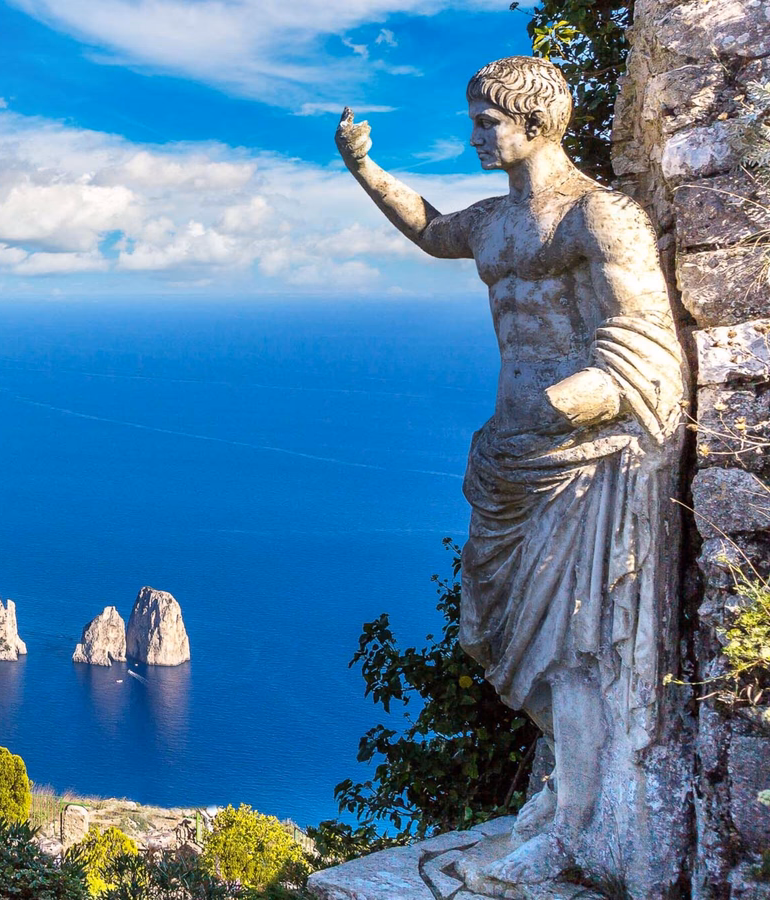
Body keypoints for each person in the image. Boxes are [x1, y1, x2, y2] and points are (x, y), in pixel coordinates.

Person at [336, 56, 687, 893]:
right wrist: (364, 169)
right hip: (509, 459)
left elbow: (647, 338)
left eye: (488, 122)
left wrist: (588, 396)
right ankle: (573, 786)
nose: (475, 136)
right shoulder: (493, 223)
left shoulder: (602, 218)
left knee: (570, 644)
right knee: (501, 632)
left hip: (578, 460)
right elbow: (429, 229)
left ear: (537, 123)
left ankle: (573, 831)